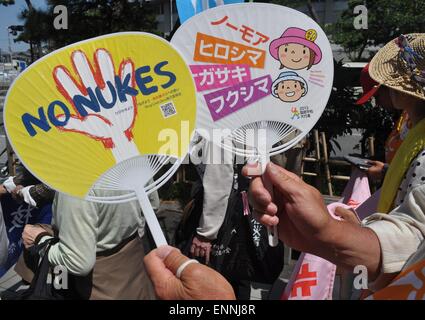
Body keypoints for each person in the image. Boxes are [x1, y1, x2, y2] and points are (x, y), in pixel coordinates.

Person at [145, 33, 425, 299]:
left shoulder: (221, 118)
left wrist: (206, 234)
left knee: (240, 280)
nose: (381, 94)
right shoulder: (412, 131)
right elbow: (414, 233)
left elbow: (218, 180)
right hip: (263, 221)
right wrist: (329, 234)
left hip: (236, 223)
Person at [21, 188, 159, 299]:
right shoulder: (128, 159)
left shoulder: (74, 185)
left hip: (99, 282)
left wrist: (40, 239)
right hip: (134, 266)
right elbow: (153, 203)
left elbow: (78, 262)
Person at [356, 64, 412, 182]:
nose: (377, 103)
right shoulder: (405, 116)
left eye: (377, 96)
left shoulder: (416, 117)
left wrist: (386, 171)